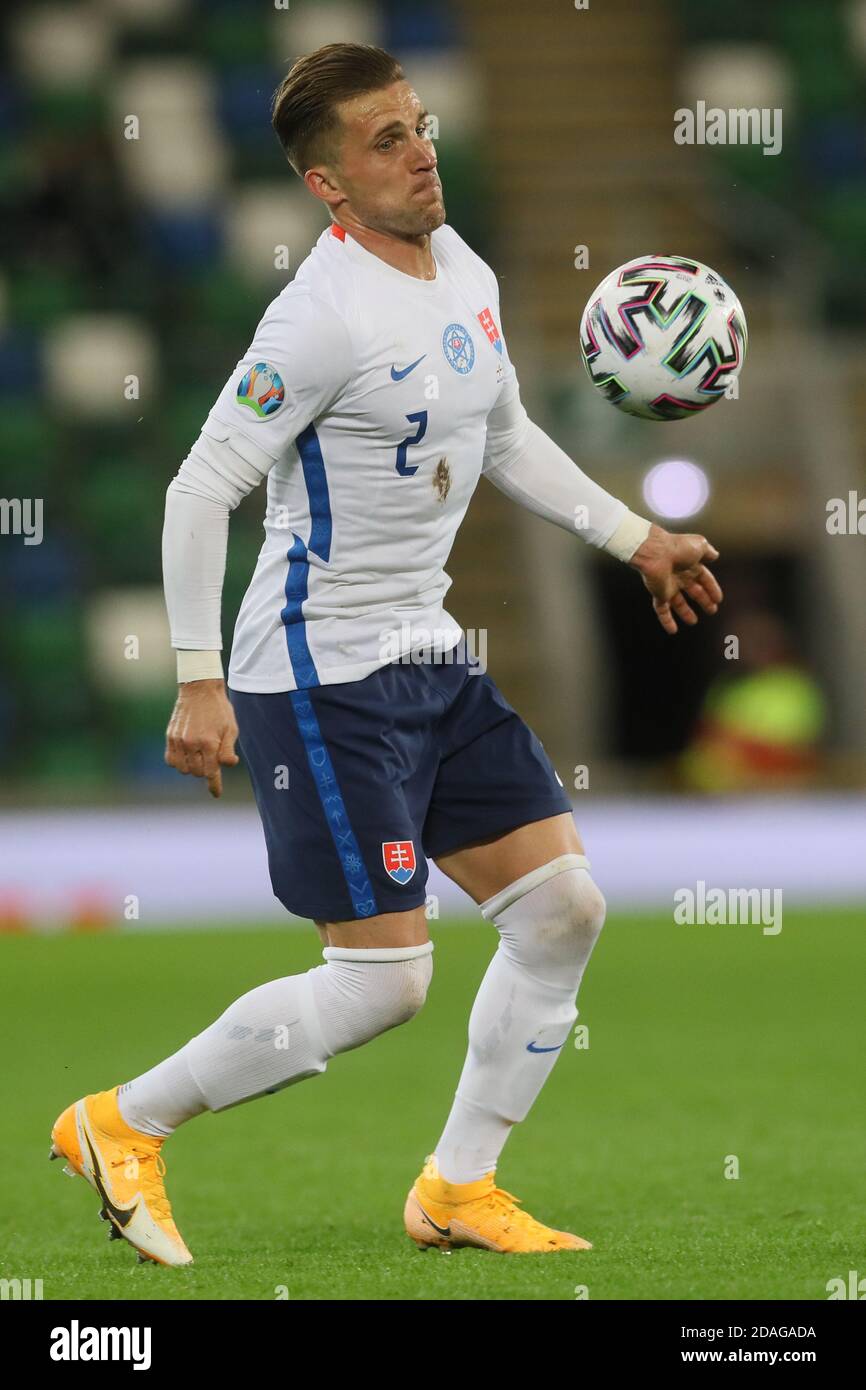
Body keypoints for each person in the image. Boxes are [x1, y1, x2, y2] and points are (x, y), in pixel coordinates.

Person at [50, 43, 723, 1264]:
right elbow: (200, 489)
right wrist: (198, 678)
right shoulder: (316, 318)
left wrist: (634, 539)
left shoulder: (456, 265)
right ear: (326, 186)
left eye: (417, 127)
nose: (420, 153)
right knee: (381, 983)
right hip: (317, 672)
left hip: (425, 654)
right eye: (384, 141)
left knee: (562, 907)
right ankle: (118, 1121)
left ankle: (457, 1188)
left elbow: (506, 433)